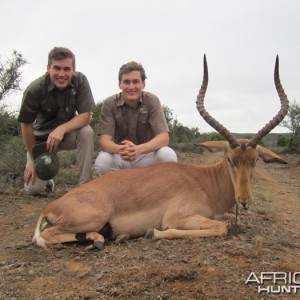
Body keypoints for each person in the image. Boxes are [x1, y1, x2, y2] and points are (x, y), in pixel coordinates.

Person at [18, 47, 95, 195]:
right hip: (41, 142)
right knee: (33, 190)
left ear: (73, 70)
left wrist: (61, 129)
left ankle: (85, 186)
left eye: (67, 69)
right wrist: (32, 159)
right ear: (48, 69)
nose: (62, 74)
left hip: (66, 135)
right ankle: (47, 181)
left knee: (86, 131)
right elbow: (26, 125)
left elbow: (86, 115)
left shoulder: (80, 81)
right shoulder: (34, 89)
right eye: (57, 68)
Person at [94, 61, 177, 175]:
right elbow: (104, 141)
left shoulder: (152, 100)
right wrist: (122, 150)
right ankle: (117, 191)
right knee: (103, 161)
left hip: (146, 155)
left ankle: (158, 191)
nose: (131, 87)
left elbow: (163, 138)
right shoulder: (110, 103)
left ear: (143, 84)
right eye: (126, 82)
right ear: (120, 84)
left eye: (136, 82)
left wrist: (139, 150)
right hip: (121, 155)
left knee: (167, 154)